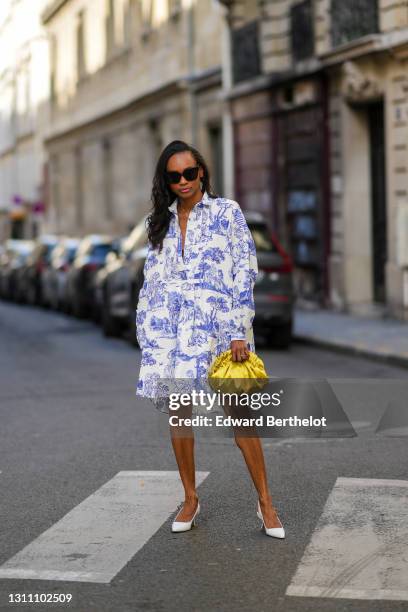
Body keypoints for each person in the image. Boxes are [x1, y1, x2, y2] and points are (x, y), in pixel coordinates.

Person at [135, 140, 285, 538]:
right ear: (165, 180)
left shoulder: (226, 213)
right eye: (174, 176)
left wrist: (239, 330)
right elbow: (153, 283)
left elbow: (244, 270)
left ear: (202, 172)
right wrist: (149, 333)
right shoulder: (159, 222)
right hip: (174, 335)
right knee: (180, 416)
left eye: (189, 173)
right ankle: (190, 498)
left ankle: (266, 503)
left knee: (241, 418)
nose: (183, 181)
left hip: (220, 332)